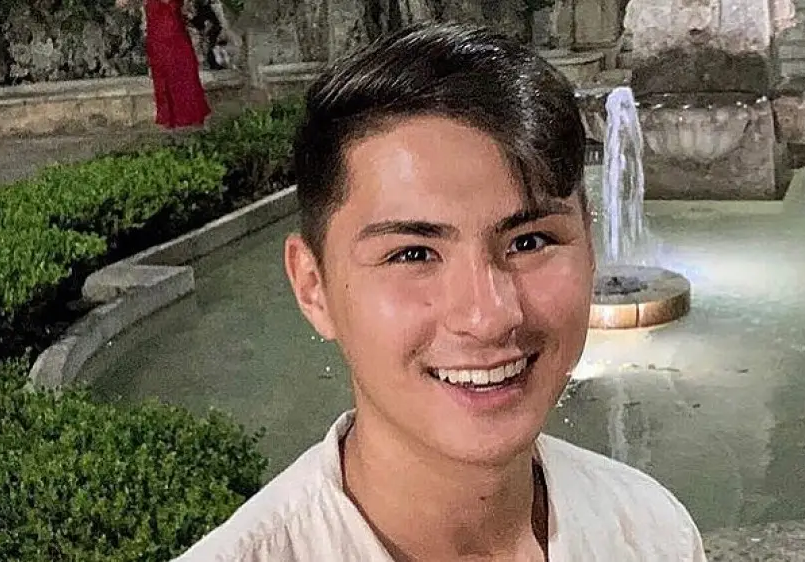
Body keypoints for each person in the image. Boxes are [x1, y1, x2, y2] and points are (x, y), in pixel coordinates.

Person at [174, 22, 707, 561]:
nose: (489, 316)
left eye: (529, 242)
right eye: (413, 254)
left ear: (589, 247)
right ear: (313, 287)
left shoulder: (651, 533)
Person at [117, 0, 211, 129]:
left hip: (173, 35)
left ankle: (191, 121)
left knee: (184, 77)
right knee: (163, 79)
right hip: (156, 38)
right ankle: (171, 121)